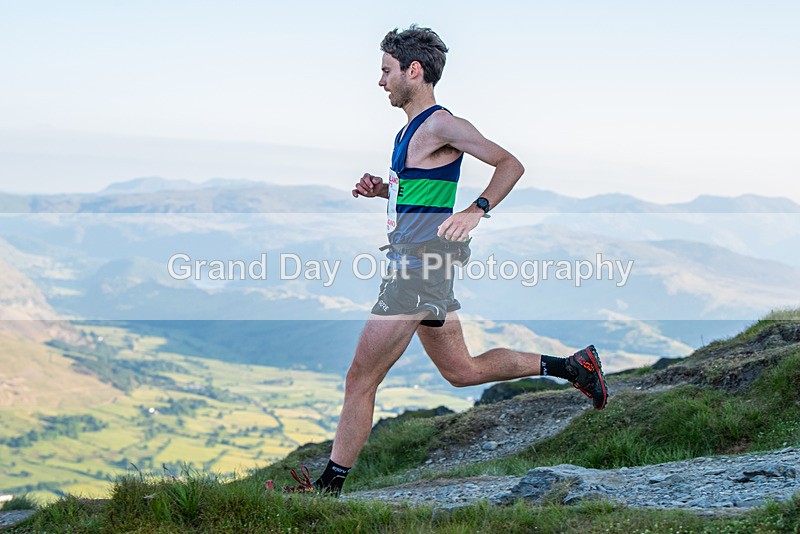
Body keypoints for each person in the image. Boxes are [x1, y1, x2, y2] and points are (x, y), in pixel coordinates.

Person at [277, 25, 607, 496]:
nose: (381, 81)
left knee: (359, 378)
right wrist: (386, 190)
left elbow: (510, 163)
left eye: (387, 71)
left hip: (417, 271)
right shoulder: (409, 130)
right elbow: (426, 192)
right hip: (420, 268)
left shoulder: (441, 124)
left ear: (414, 70)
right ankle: (575, 367)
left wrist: (477, 210)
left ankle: (327, 489)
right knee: (462, 371)